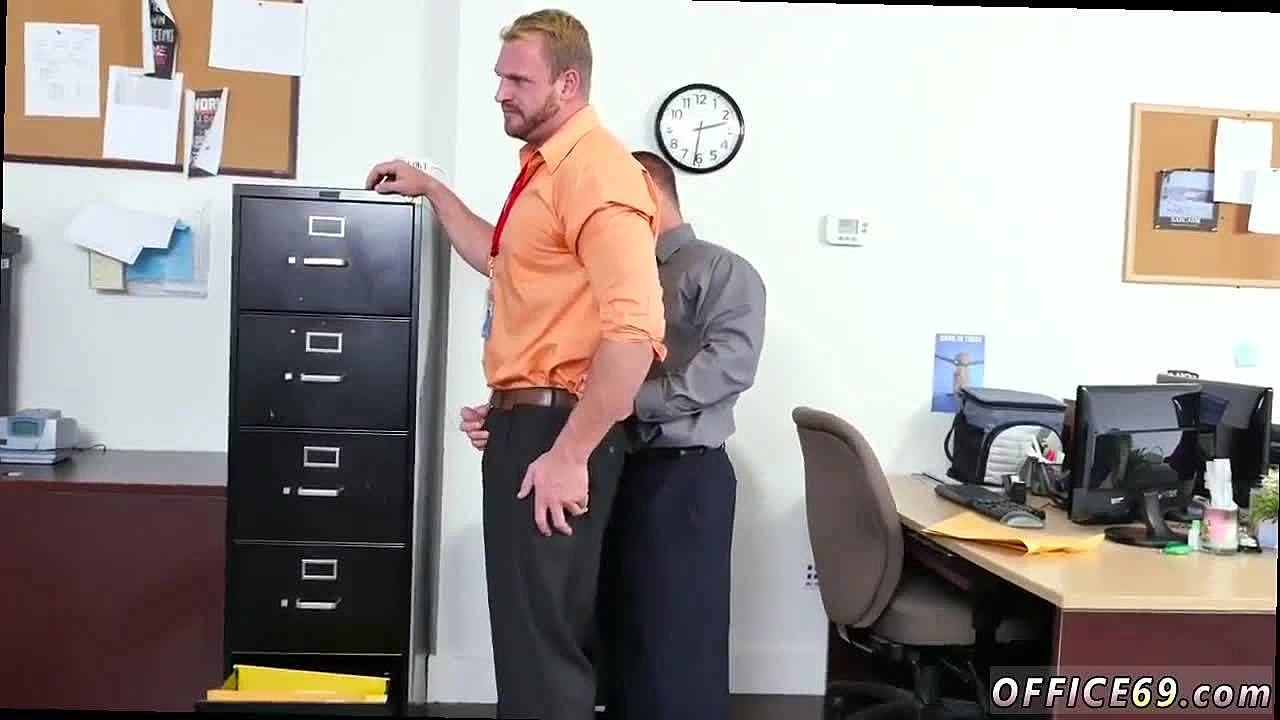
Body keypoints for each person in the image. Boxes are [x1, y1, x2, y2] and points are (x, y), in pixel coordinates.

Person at [366, 9, 666, 720]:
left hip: (561, 438)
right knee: (529, 646)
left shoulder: (597, 174)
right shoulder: (544, 172)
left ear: (568, 84)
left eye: (518, 79)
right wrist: (433, 189)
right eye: (499, 76)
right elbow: (500, 260)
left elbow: (634, 334)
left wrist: (569, 451)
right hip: (530, 428)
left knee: (545, 651)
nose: (500, 91)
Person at [599, 150, 767, 720]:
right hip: (620, 466)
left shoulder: (720, 270)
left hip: (685, 474)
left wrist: (631, 400)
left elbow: (729, 367)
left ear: (647, 191)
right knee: (629, 630)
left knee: (679, 637)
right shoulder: (619, 278)